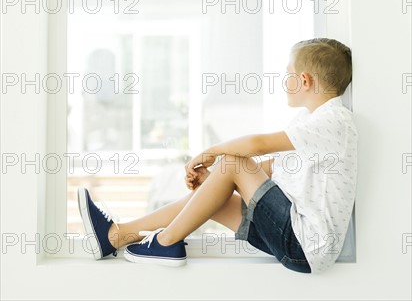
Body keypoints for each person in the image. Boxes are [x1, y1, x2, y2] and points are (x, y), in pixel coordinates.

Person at [77, 37, 357, 273]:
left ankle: (165, 242)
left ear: (305, 80)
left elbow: (258, 145)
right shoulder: (308, 123)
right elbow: (271, 167)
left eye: (288, 75)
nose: (284, 81)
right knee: (211, 194)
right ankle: (116, 235)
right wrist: (217, 181)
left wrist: (214, 153)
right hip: (295, 238)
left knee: (235, 161)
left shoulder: (335, 120)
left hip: (304, 244)